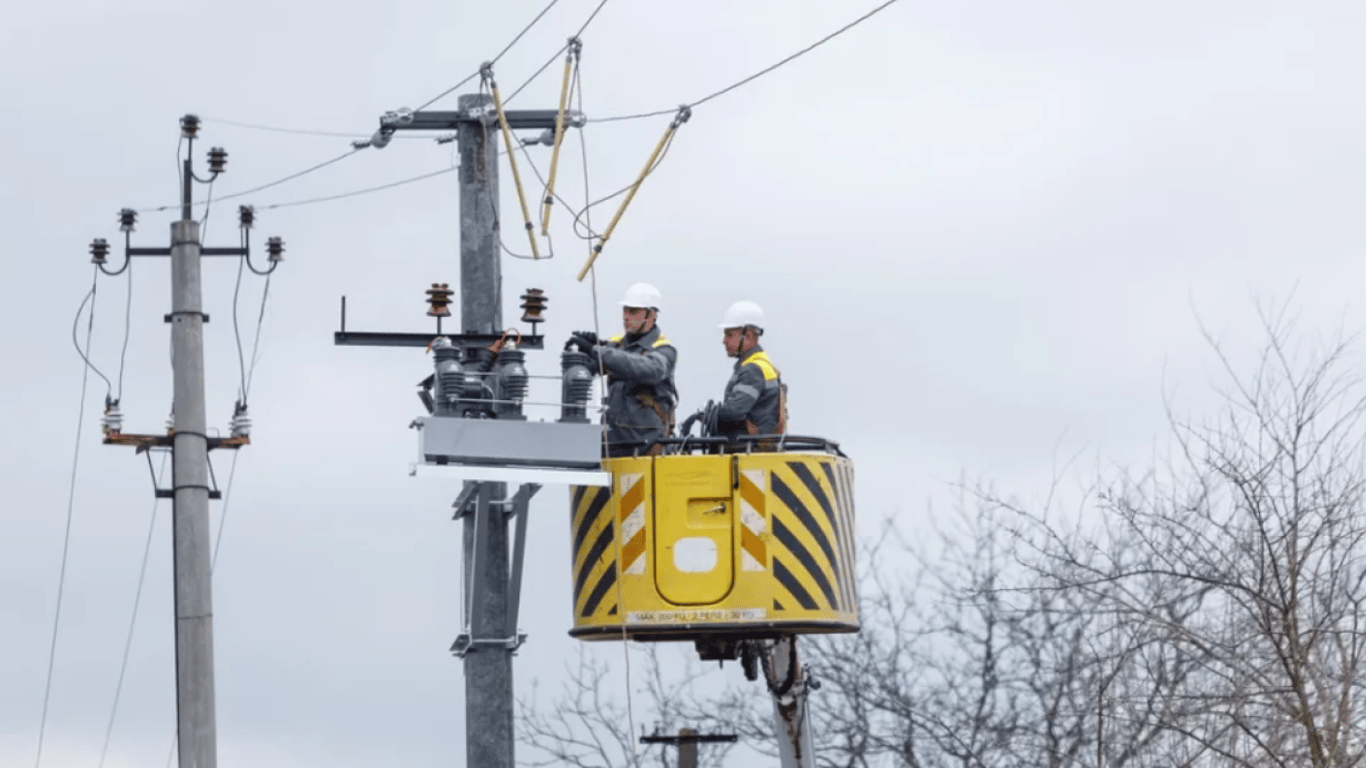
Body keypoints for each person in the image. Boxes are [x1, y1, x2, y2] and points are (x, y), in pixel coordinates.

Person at [568, 282, 679, 457]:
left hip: (647, 450)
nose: (626, 316)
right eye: (625, 310)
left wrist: (596, 350)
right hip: (613, 446)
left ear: (651, 315)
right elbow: (589, 369)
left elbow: (649, 369)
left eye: (633, 311)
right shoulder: (616, 344)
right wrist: (578, 355)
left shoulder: (664, 349)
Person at [713, 300, 786, 446]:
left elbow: (734, 412)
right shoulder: (762, 364)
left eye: (729, 334)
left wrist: (712, 414)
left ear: (749, 334)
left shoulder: (752, 369)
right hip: (757, 448)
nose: (724, 340)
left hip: (749, 450)